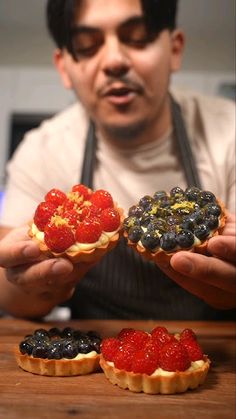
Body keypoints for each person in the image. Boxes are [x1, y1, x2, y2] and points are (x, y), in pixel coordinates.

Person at [0, 0, 235, 320]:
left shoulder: (230, 132)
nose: (114, 61)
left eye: (138, 38)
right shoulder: (40, 150)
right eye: (86, 46)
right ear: (63, 67)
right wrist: (37, 283)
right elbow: (9, 296)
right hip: (96, 359)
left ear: (175, 50)